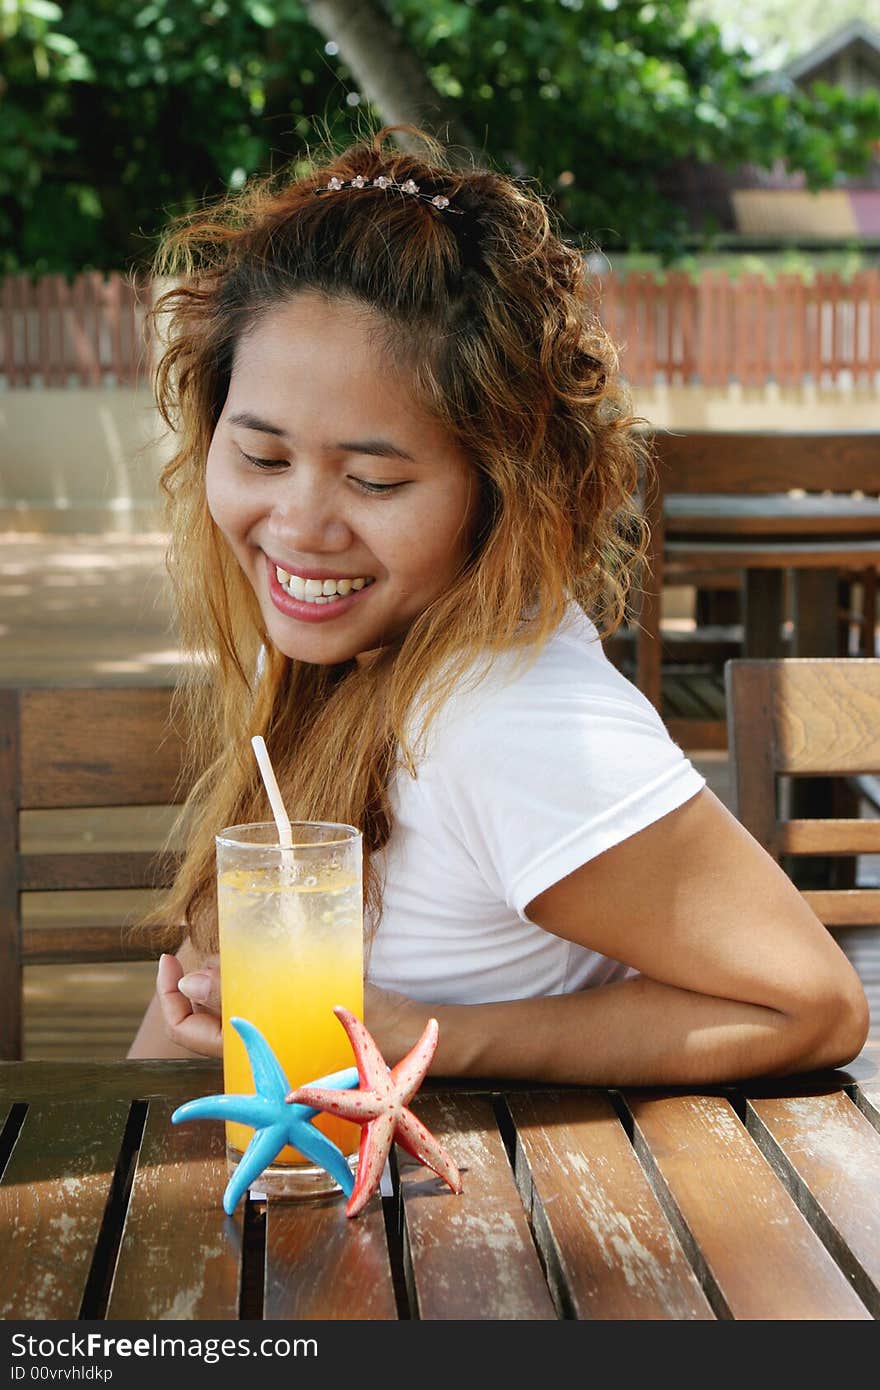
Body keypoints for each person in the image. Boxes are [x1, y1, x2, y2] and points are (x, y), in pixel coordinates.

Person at [128, 125, 868, 1083]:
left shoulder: (505, 720)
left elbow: (809, 1004)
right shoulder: (358, 646)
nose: (300, 525)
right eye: (262, 458)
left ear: (501, 489)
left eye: (375, 481)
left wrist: (433, 1038)